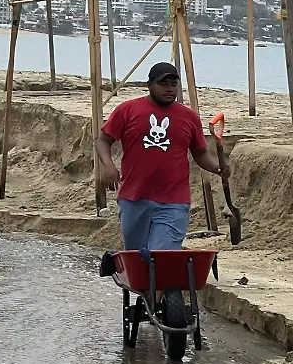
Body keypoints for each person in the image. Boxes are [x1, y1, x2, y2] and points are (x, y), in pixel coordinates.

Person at [95, 62, 228, 251]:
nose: (169, 89)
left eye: (173, 84)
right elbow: (102, 140)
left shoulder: (189, 117)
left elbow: (200, 153)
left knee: (162, 255)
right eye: (163, 84)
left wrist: (216, 167)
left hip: (174, 201)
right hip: (134, 198)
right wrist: (108, 165)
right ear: (150, 85)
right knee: (136, 255)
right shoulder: (128, 110)